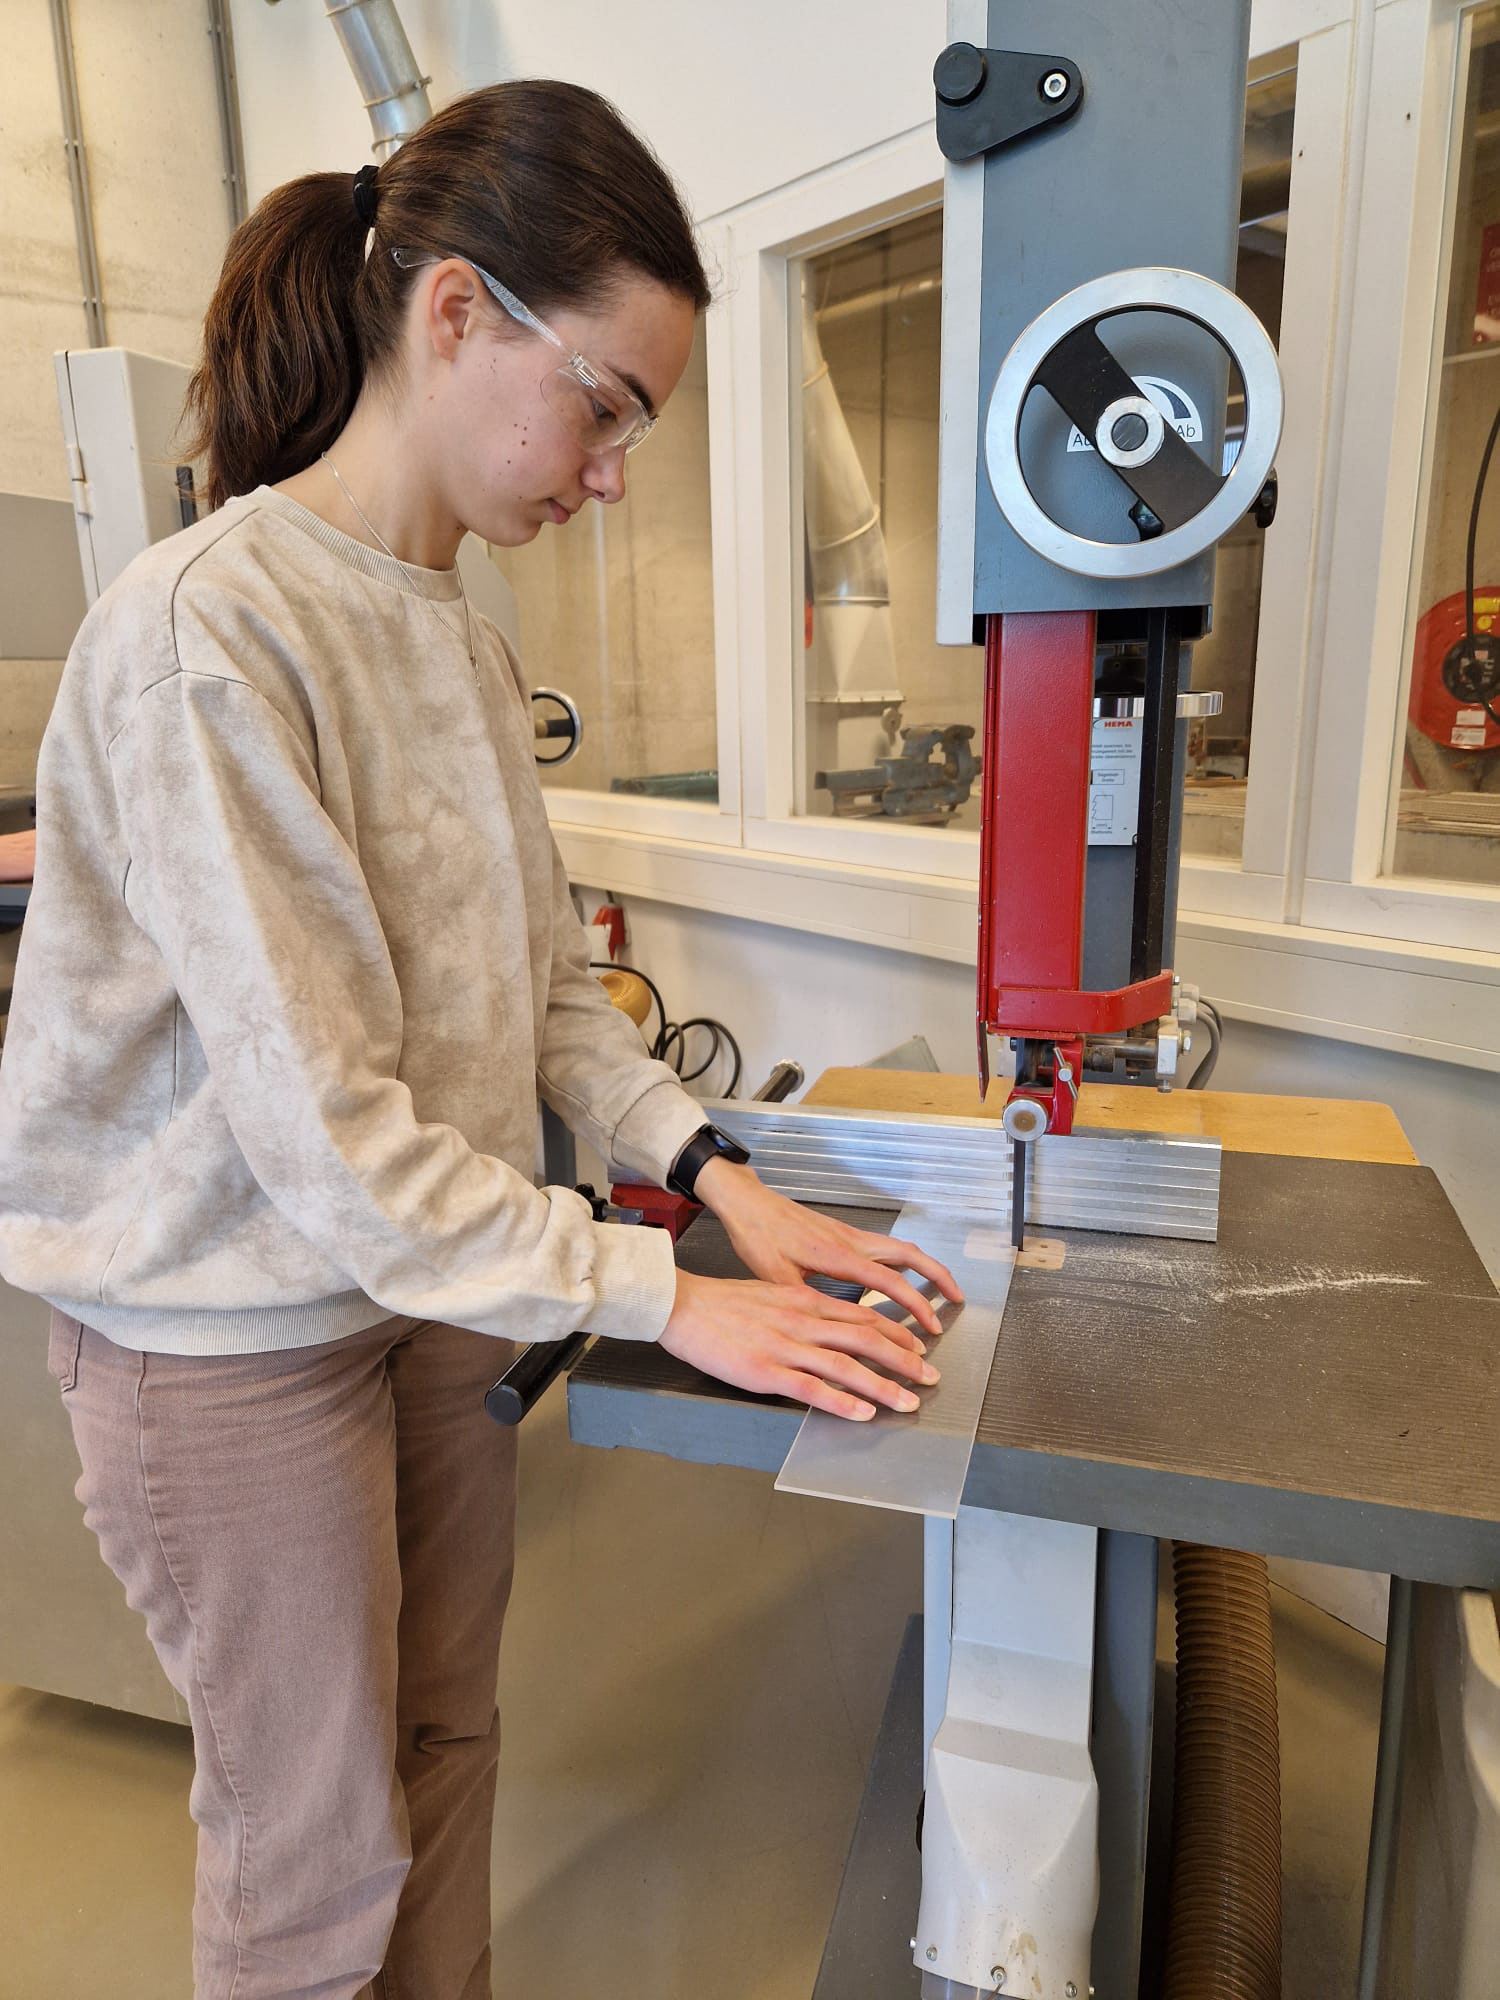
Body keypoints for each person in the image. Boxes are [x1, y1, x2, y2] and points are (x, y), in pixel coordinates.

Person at [0, 80, 962, 2000]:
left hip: (422, 1303)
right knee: (312, 1858)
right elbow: (327, 1132)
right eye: (605, 404)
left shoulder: (453, 630)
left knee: (447, 1746)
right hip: (221, 1338)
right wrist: (663, 1298)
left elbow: (538, 991)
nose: (612, 473)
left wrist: (714, 1180)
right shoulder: (214, 632)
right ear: (455, 316)